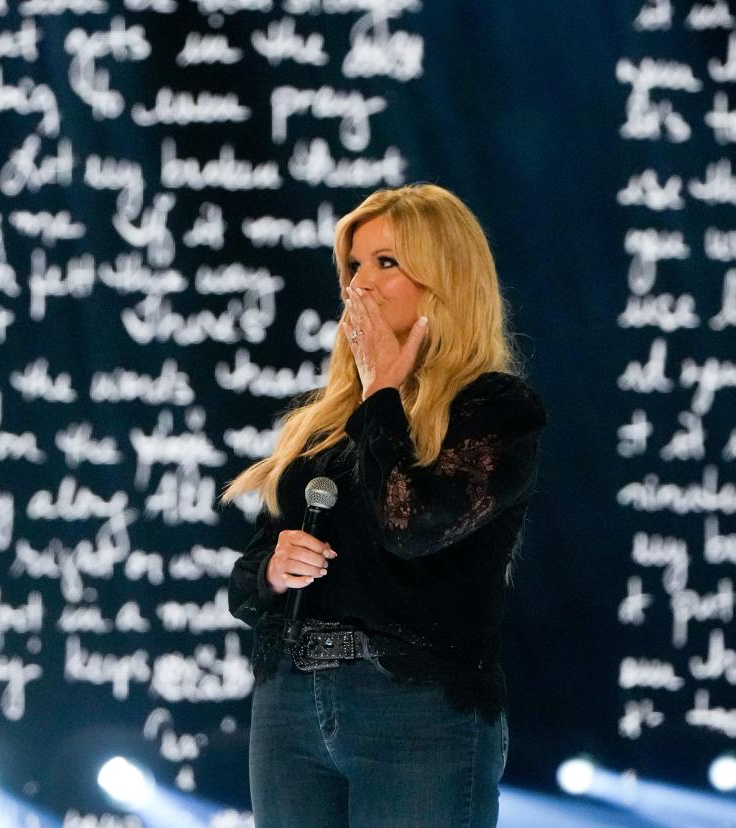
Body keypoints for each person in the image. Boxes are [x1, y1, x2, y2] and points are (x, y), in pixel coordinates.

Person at [222, 182, 547, 827]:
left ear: (445, 278)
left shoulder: (496, 410)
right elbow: (246, 581)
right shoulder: (321, 427)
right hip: (288, 703)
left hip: (414, 709)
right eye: (352, 266)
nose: (359, 285)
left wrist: (384, 394)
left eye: (386, 263)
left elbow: (411, 522)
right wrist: (272, 568)